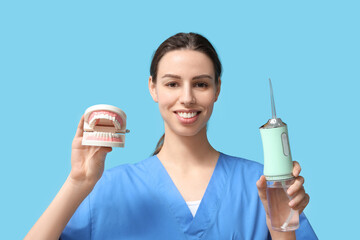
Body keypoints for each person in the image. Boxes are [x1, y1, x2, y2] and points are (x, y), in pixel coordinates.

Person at [25, 32, 317, 240]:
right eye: (173, 84)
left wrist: (282, 226)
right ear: (153, 88)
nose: (187, 98)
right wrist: (77, 182)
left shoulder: (263, 186)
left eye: (200, 84)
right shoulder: (105, 189)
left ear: (217, 90)